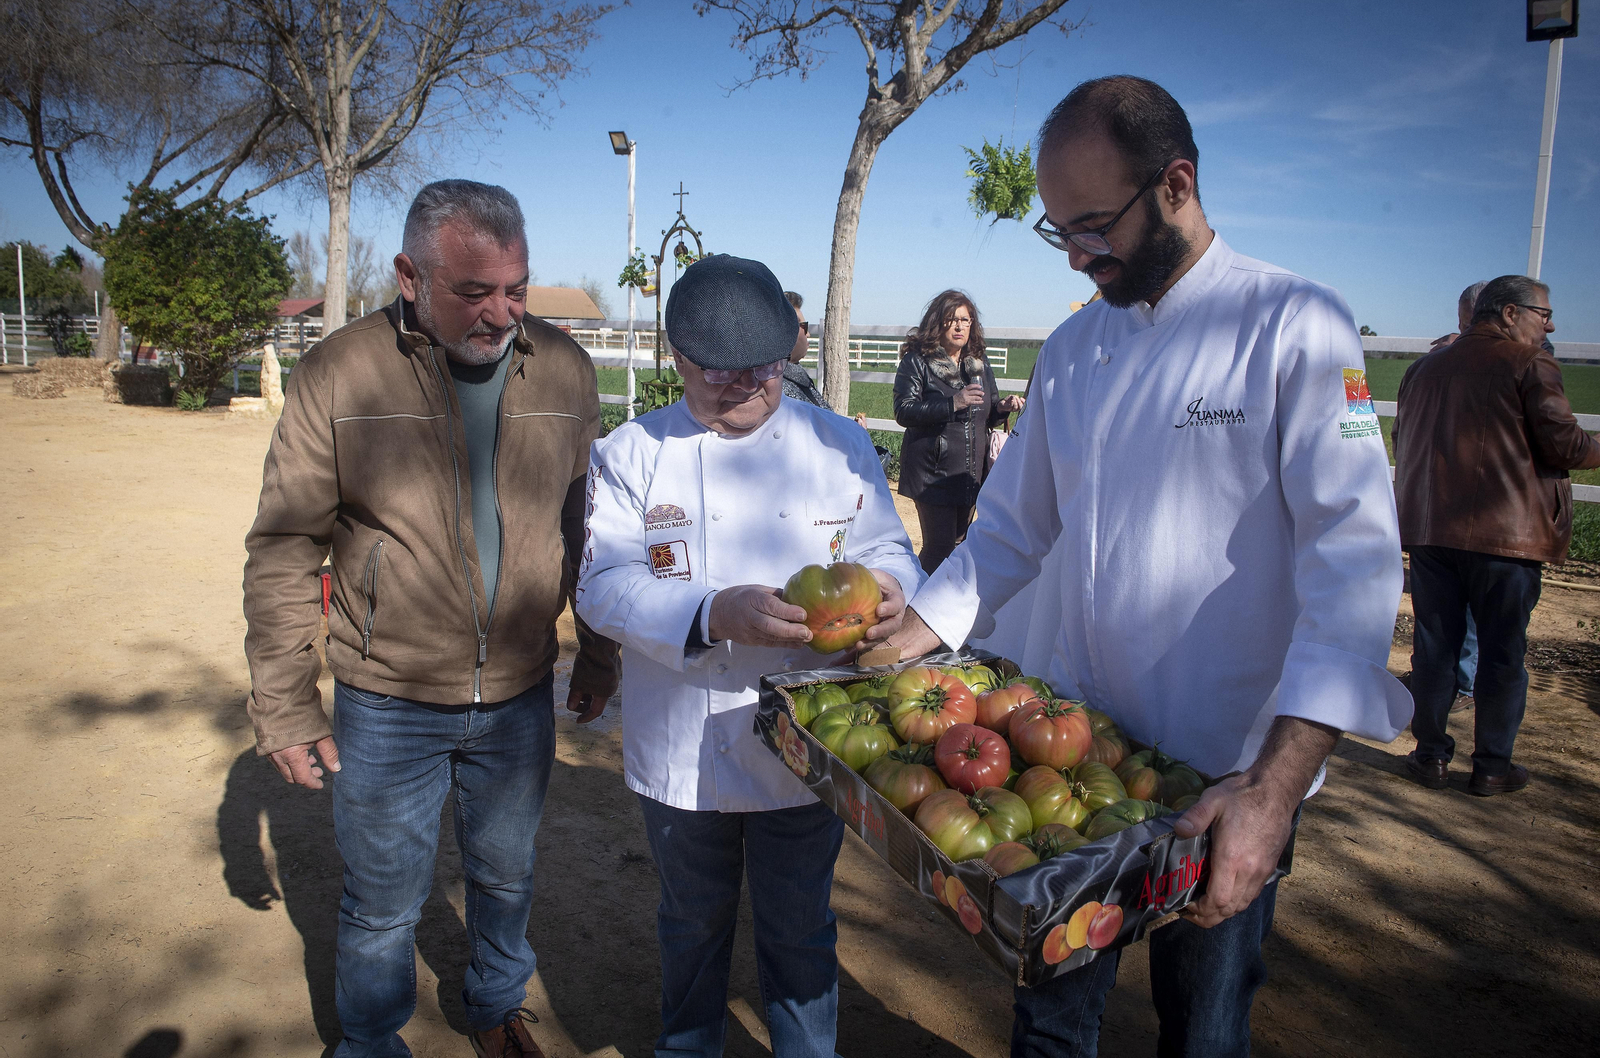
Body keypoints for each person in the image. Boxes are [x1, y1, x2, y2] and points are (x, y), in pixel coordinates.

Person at [884, 76, 1412, 1058]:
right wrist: (905, 637)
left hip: (1224, 776)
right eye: (1058, 232)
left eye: (1093, 223)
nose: (1079, 256)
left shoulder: (1298, 327)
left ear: (1176, 183)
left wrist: (1274, 788)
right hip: (1069, 758)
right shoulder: (1076, 346)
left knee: (1204, 1028)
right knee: (1050, 1019)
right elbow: (1006, 527)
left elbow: (1353, 565)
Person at [242, 179, 620, 1058]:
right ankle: (370, 1041)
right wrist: (288, 704)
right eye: (475, 292)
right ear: (411, 275)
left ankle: (494, 1007)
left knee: (507, 878)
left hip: (521, 692)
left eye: (516, 289)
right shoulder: (339, 372)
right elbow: (284, 546)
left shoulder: (563, 368)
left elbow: (593, 529)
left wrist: (596, 656)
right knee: (381, 903)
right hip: (387, 698)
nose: (503, 314)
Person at [577, 254, 924, 1058]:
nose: (741, 388)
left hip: (809, 743)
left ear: (788, 354)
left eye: (761, 371)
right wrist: (712, 611)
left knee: (801, 927)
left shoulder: (837, 444)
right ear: (676, 358)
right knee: (691, 923)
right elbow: (600, 587)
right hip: (682, 747)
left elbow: (893, 552)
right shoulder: (631, 453)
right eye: (714, 372)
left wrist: (890, 586)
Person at [1394, 275, 1600, 796]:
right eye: (1544, 313)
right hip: (1505, 539)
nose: (1550, 324)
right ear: (1509, 313)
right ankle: (1491, 767)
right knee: (1503, 652)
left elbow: (1406, 440)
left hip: (1431, 532)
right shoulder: (1529, 363)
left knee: (1434, 647)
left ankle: (1430, 756)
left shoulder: (1422, 370)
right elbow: (1565, 445)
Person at [892, 290, 1024, 573]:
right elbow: (904, 410)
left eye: (966, 320)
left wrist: (1003, 407)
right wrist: (953, 403)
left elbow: (985, 414)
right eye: (951, 320)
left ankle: (944, 609)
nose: (960, 326)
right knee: (939, 548)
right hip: (932, 472)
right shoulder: (917, 361)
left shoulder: (978, 363)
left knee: (961, 543)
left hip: (969, 472)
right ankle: (915, 606)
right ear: (936, 323)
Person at [1423, 280, 1492, 711]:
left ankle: (1446, 693)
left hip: (1440, 504)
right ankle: (1464, 685)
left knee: (1441, 612)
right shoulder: (1527, 364)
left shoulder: (1435, 363)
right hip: (1486, 510)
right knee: (1473, 610)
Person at [781, 290, 828, 408]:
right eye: (804, 327)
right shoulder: (780, 388)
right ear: (787, 331)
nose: (808, 335)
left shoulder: (794, 375)